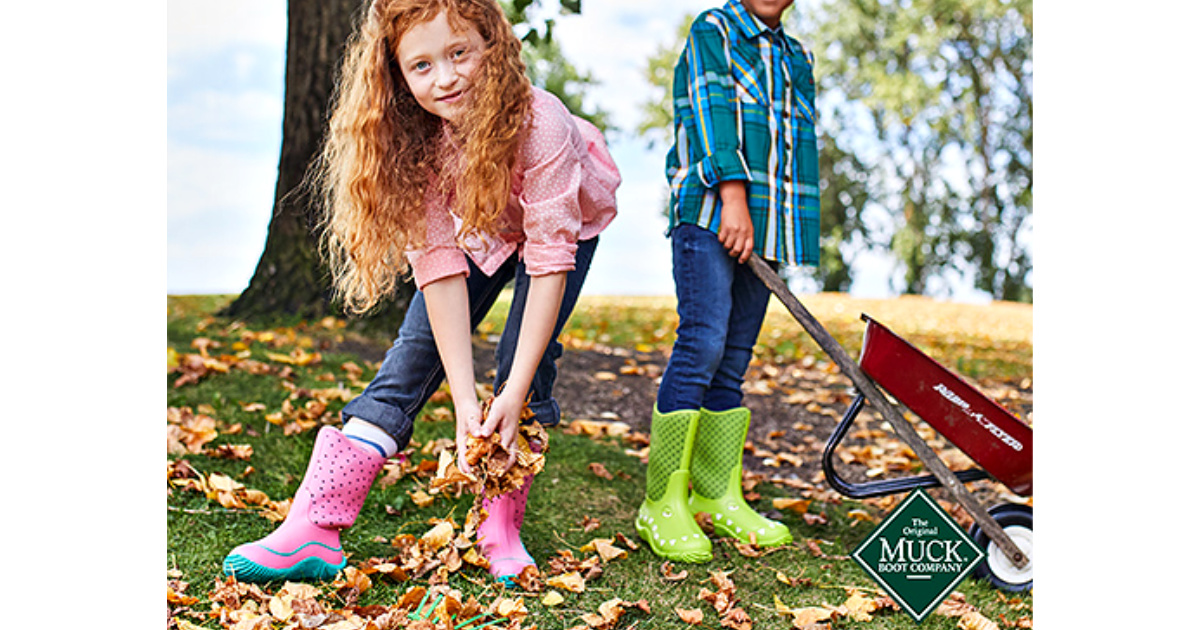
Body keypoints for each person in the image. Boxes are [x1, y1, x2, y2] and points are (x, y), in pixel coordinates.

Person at [223, 0, 619, 586]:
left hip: (561, 226)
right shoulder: (415, 144)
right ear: (398, 76)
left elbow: (548, 257)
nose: (446, 77)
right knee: (412, 352)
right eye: (422, 66)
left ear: (493, 44)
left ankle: (499, 524)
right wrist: (464, 402)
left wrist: (506, 394)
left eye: (459, 53)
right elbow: (438, 269)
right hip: (484, 225)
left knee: (524, 367)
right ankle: (314, 525)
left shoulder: (543, 124)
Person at [636, 0, 819, 563]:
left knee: (734, 360)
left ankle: (716, 495)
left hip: (765, 228)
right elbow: (712, 116)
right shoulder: (714, 30)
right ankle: (662, 502)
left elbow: (797, 147)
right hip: (711, 216)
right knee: (702, 344)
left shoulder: (795, 56)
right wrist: (733, 199)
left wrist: (783, 227)